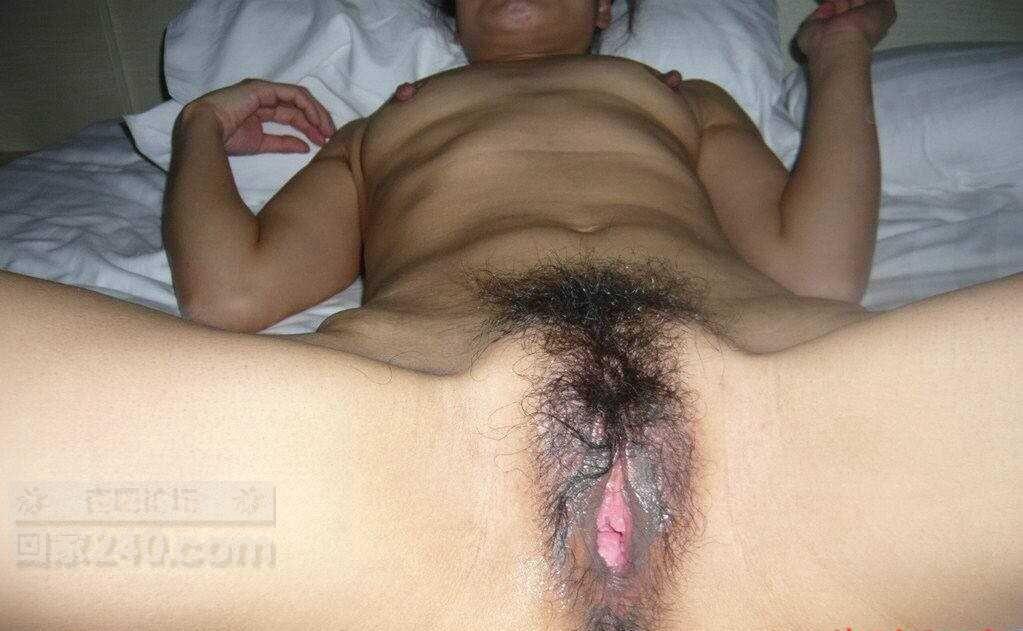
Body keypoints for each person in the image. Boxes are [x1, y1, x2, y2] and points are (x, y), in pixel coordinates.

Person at [1, 0, 1019, 628]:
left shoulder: (681, 95)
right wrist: (197, 130)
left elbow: (818, 268)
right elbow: (231, 292)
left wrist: (839, 54)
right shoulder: (379, 126)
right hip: (379, 468)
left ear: (607, 5)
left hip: (824, 441)